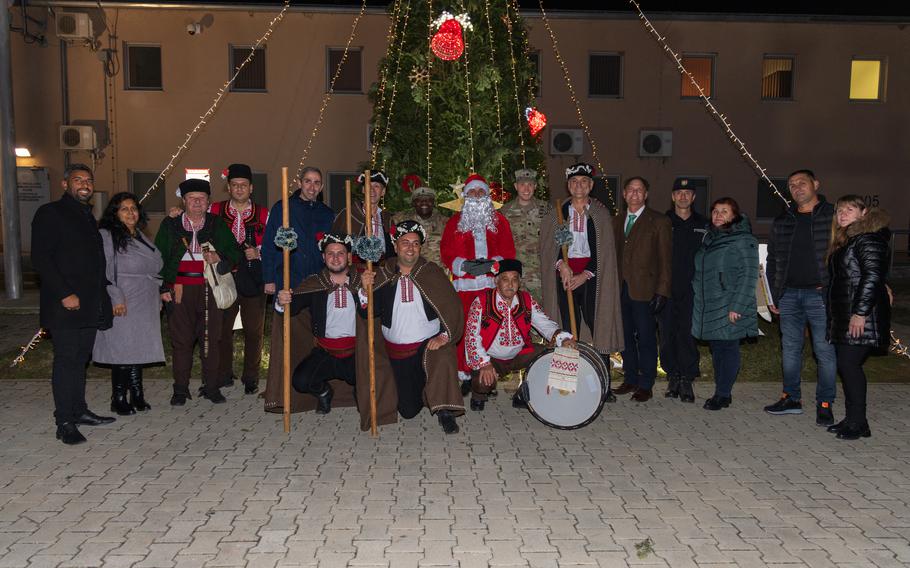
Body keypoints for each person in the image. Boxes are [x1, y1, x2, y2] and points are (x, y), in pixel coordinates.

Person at [32, 163, 115, 445]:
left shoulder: (87, 216)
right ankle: (64, 421)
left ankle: (79, 411)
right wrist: (64, 293)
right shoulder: (50, 213)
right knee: (66, 361)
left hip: (89, 305)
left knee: (81, 360)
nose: (85, 184)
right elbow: (42, 259)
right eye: (78, 180)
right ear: (65, 184)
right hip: (64, 305)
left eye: (89, 180)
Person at [359, 220, 465, 434]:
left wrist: (444, 335)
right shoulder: (383, 273)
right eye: (405, 242)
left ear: (420, 247)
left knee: (443, 355)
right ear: (395, 246)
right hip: (397, 353)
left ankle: (445, 411)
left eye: (415, 243)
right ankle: (428, 393)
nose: (410, 247)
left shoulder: (431, 272)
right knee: (408, 410)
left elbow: (452, 306)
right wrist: (364, 290)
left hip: (428, 345)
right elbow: (367, 312)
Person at [539, 162, 624, 401]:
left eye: (584, 182)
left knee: (597, 325)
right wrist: (561, 266)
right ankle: (565, 383)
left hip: (591, 276)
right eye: (574, 182)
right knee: (565, 327)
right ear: (568, 185)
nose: (579, 185)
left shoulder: (599, 213)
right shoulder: (558, 211)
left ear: (591, 185)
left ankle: (602, 383)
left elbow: (605, 252)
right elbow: (550, 247)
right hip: (563, 276)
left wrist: (584, 274)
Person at [155, 179, 240, 405]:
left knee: (211, 339)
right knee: (181, 341)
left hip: (208, 288)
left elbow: (234, 251)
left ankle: (211, 387)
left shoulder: (216, 224)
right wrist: (164, 288)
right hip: (179, 289)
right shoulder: (170, 225)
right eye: (192, 198)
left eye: (201, 199)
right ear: (183, 201)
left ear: (208, 202)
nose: (196, 202)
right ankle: (180, 389)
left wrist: (219, 255)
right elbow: (159, 257)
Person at [763, 170, 838, 425]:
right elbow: (772, 260)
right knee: (790, 350)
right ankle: (791, 398)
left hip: (820, 295)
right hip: (789, 296)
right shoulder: (783, 221)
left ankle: (825, 403)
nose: (796, 188)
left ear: (815, 184)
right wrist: (773, 294)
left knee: (824, 351)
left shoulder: (833, 216)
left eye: (801, 183)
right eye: (792, 185)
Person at [261, 166, 335, 413]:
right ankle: (282, 391)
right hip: (288, 279)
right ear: (299, 183)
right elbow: (269, 245)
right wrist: (270, 279)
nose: (312, 187)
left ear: (321, 187)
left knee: (319, 336)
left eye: (317, 182)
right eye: (307, 181)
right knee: (286, 336)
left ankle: (317, 386)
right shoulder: (283, 208)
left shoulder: (327, 214)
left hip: (317, 282)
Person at [464, 259, 574, 411]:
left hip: (519, 354)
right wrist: (484, 363)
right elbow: (471, 336)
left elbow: (544, 323)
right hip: (492, 358)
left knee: (550, 358)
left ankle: (523, 394)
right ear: (496, 281)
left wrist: (563, 337)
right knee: (483, 383)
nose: (510, 284)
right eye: (505, 279)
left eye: (514, 279)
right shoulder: (481, 301)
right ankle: (478, 395)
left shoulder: (526, 300)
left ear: (519, 282)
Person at [92, 192, 165, 415]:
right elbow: (104, 269)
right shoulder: (107, 235)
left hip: (145, 298)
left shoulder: (139, 235)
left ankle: (137, 394)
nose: (130, 213)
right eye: (124, 209)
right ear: (115, 213)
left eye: (133, 208)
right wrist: (115, 297)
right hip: (124, 297)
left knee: (138, 347)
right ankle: (119, 397)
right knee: (122, 349)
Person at [440, 174, 516, 388]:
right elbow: (446, 251)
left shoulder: (500, 222)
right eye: (472, 192)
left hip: (492, 287)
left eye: (480, 192)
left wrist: (492, 265)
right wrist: (464, 266)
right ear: (465, 196)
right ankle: (463, 372)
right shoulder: (455, 222)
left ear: (487, 196)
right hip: (464, 288)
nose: (476, 196)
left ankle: (484, 379)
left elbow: (509, 251)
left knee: (488, 330)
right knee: (463, 330)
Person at [825, 196, 891, 440]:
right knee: (848, 365)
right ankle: (856, 420)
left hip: (860, 315)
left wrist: (860, 313)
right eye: (839, 210)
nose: (842, 214)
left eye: (849, 209)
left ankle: (857, 422)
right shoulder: (850, 239)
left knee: (850, 366)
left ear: (863, 213)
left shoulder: (868, 238)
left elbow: (872, 276)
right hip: (847, 313)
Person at [275, 232, 361, 414]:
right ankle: (323, 392)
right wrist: (282, 300)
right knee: (301, 380)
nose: (335, 258)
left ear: (349, 257)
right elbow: (292, 307)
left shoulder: (362, 283)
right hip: (326, 352)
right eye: (330, 253)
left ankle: (360, 393)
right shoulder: (315, 284)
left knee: (374, 377)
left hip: (356, 352)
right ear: (323, 257)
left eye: (340, 253)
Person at [691, 198, 759, 411]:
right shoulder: (711, 238)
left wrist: (738, 306)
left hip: (730, 304)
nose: (718, 215)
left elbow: (749, 275)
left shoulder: (744, 239)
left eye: (724, 211)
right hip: (710, 303)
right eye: (715, 211)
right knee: (718, 349)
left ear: (734, 216)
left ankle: (722, 394)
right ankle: (722, 391)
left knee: (728, 349)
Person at [209, 163, 269, 395]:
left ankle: (251, 376)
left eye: (243, 185)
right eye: (235, 185)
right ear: (229, 187)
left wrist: (259, 251)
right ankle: (224, 373)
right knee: (223, 329)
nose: (239, 189)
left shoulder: (264, 213)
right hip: (224, 277)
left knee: (253, 330)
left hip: (253, 278)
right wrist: (177, 214)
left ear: (251, 188)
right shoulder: (214, 210)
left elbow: (274, 243)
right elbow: (197, 226)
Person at [612, 176, 672, 402]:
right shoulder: (616, 221)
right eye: (631, 190)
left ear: (646, 194)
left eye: (640, 190)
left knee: (646, 338)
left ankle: (646, 383)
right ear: (624, 194)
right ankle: (630, 378)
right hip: (621, 290)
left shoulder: (659, 221)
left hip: (646, 290)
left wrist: (662, 290)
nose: (635, 194)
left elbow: (666, 259)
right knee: (624, 336)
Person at [661, 178, 709, 402]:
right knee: (668, 333)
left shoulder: (704, 224)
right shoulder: (662, 222)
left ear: (693, 197)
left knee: (688, 334)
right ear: (672, 196)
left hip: (693, 289)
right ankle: (673, 376)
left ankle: (687, 379)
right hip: (666, 288)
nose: (683, 197)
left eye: (687, 193)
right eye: (678, 193)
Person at [499, 169, 551, 299]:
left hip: (541, 273)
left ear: (535, 186)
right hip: (515, 275)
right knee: (516, 313)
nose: (526, 188)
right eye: (522, 184)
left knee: (541, 314)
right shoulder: (504, 212)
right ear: (516, 187)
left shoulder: (547, 210)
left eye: (530, 184)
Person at [333, 170, 395, 266]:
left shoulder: (387, 218)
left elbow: (393, 249)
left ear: (383, 192)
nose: (372, 190)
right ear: (363, 190)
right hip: (356, 270)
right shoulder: (349, 213)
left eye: (376, 186)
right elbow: (334, 244)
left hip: (383, 271)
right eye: (368, 186)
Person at [391, 185, 447, 267]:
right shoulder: (399, 220)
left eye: (428, 200)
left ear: (434, 202)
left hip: (437, 273)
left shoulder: (445, 223)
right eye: (419, 200)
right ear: (413, 203)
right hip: (408, 272)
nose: (424, 202)